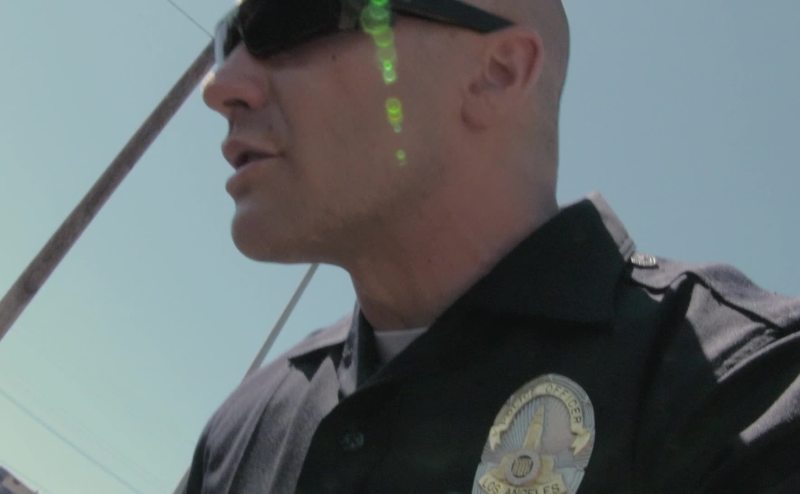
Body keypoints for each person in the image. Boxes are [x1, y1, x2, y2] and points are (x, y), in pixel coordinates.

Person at [187, 0, 800, 492]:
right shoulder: (247, 426)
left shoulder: (747, 389)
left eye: (290, 16)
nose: (220, 85)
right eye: (227, 39)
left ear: (496, 74)